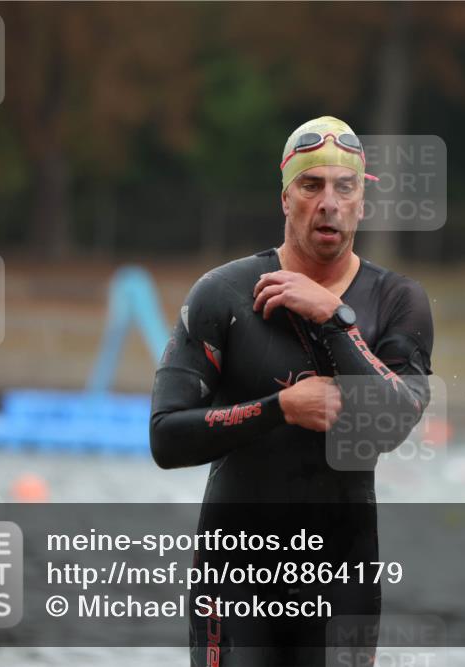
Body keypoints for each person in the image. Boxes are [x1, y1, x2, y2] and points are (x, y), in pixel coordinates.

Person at [150, 116, 435, 666]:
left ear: (361, 203)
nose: (328, 202)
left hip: (341, 582)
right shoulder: (224, 294)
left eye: (343, 187)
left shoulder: (398, 302)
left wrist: (335, 318)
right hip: (234, 577)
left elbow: (395, 421)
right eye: (311, 186)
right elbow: (166, 437)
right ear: (286, 199)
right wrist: (280, 407)